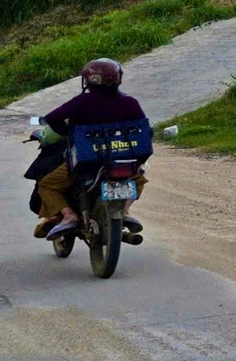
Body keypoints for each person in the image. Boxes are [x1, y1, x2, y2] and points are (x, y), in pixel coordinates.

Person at [26, 58, 148, 243]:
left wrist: (67, 132)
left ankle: (68, 215)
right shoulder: (130, 103)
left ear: (89, 80)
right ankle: (124, 210)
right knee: (138, 180)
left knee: (47, 185)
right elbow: (143, 130)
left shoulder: (82, 102)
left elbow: (52, 118)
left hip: (87, 160)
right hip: (121, 159)